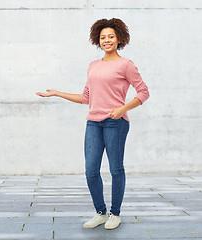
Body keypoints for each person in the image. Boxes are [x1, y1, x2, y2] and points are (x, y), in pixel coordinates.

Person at [36, 18, 149, 230]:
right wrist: (57, 93)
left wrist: (122, 109)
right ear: (98, 40)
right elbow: (86, 97)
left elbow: (144, 92)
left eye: (111, 37)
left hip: (116, 123)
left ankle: (115, 214)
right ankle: (100, 212)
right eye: (103, 37)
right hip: (93, 124)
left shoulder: (126, 65)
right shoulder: (93, 65)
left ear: (119, 39)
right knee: (90, 171)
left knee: (116, 169)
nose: (106, 40)